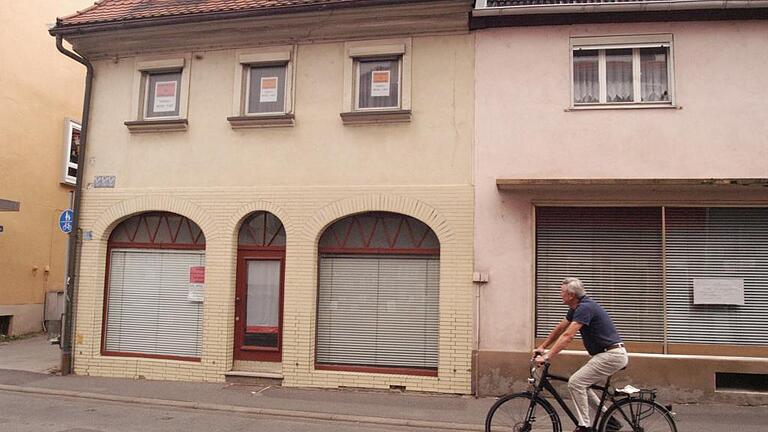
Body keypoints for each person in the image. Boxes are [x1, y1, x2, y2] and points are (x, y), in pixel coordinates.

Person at [533, 277, 628, 432]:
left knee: (576, 383)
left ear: (571, 295)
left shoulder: (585, 308)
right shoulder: (577, 307)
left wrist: (547, 356)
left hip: (611, 355)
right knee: (583, 385)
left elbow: (568, 336)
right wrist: (542, 346)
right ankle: (608, 420)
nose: (559, 295)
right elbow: (561, 328)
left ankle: (584, 426)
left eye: (562, 292)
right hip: (604, 355)